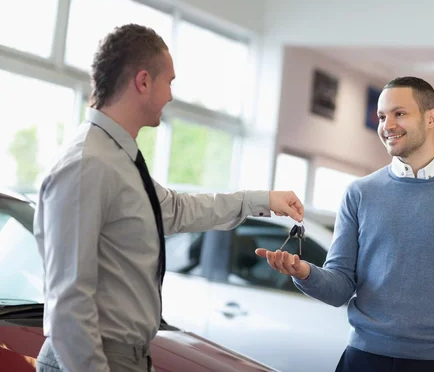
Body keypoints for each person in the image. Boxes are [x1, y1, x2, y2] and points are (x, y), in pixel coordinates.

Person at [33, 23, 304, 372]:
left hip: (124, 356)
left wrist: (262, 199)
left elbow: (175, 209)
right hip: (90, 358)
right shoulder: (88, 164)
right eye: (170, 82)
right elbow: (68, 301)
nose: (171, 96)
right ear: (143, 82)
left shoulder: (117, 158)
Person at [256, 76, 434, 372]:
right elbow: (340, 287)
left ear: (431, 118)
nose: (387, 125)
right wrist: (303, 272)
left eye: (399, 114)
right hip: (360, 359)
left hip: (433, 364)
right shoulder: (360, 193)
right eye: (381, 116)